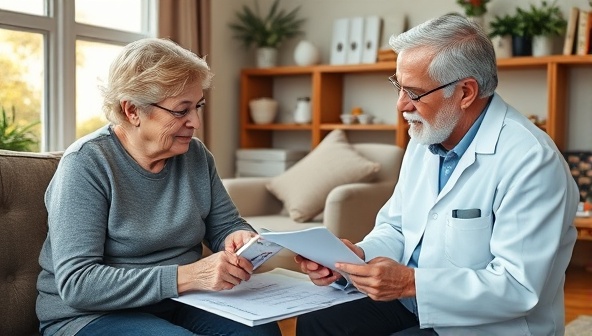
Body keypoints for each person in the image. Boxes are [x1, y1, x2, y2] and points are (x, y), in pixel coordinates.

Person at [295, 13, 579, 336]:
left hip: (490, 325)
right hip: (412, 302)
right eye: (398, 87)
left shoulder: (531, 160)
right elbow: (397, 227)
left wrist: (409, 282)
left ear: (465, 92)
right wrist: (356, 258)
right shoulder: (426, 136)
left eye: (414, 93)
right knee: (317, 319)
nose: (401, 105)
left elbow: (517, 286)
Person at [36, 37, 282, 336]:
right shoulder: (86, 164)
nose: (195, 122)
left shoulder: (195, 155)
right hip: (92, 315)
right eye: (181, 111)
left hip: (182, 300)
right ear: (132, 111)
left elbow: (225, 224)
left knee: (260, 332)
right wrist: (187, 276)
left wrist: (237, 237)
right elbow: (79, 284)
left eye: (198, 106)